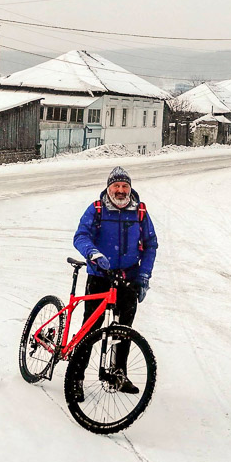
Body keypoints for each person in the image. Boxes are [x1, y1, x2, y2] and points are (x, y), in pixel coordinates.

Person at [71, 166, 158, 399]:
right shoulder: (97, 209)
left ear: (130, 188)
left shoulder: (139, 212)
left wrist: (143, 276)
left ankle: (118, 374)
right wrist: (93, 253)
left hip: (129, 277)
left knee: (124, 329)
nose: (120, 191)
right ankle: (76, 378)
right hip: (100, 276)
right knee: (90, 328)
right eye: (116, 186)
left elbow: (151, 245)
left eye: (124, 186)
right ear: (108, 188)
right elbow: (81, 236)